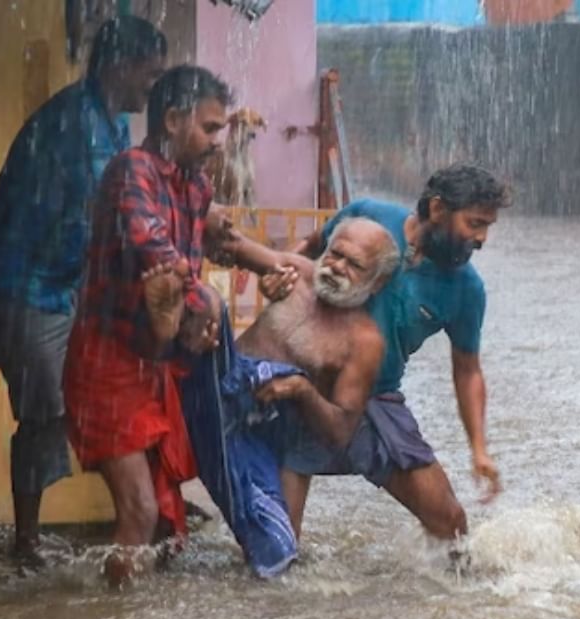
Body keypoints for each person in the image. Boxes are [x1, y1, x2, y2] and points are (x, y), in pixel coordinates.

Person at [0, 17, 167, 565]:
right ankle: (26, 542)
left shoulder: (112, 122)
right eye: (148, 77)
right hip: (23, 287)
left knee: (94, 394)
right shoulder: (74, 126)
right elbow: (94, 223)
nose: (151, 89)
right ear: (118, 66)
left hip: (61, 289)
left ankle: (139, 504)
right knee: (47, 410)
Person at [270, 164, 512, 544]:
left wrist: (479, 449)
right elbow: (312, 246)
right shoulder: (368, 217)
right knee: (275, 548)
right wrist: (278, 279)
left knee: (452, 525)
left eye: (487, 227)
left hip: (376, 400)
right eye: (474, 223)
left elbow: (467, 370)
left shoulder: (466, 290)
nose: (481, 238)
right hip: (302, 387)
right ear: (437, 209)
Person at [62, 65, 231, 585]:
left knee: (160, 518)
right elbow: (153, 251)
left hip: (154, 363)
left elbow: (188, 274)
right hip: (107, 361)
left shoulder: (197, 188)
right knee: (138, 509)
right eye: (209, 128)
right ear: (173, 119)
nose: (215, 143)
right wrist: (206, 305)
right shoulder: (131, 169)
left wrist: (196, 321)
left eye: (219, 131)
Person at [180, 217, 399, 576]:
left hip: (260, 433)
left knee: (277, 557)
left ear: (378, 281)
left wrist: (301, 390)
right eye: (334, 255)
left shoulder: (364, 342)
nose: (336, 268)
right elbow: (230, 246)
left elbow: (340, 430)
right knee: (208, 303)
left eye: (354, 265)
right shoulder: (296, 271)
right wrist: (203, 215)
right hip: (212, 389)